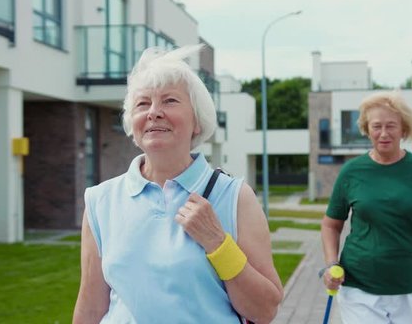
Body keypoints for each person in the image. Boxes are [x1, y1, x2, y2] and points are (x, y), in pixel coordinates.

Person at [73, 45, 283, 323]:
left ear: (197, 121)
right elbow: (90, 306)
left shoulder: (234, 197)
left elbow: (265, 310)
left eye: (170, 101)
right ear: (132, 124)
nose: (154, 112)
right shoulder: (100, 201)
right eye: (142, 103)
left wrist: (218, 243)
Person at [320, 90, 412, 324]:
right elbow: (331, 225)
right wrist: (331, 264)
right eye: (376, 126)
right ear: (366, 129)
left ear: (404, 129)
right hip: (358, 285)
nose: (383, 133)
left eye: (391, 126)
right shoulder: (351, 172)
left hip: (411, 284)